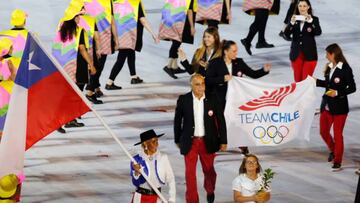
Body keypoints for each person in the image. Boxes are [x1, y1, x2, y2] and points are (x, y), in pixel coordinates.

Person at [174, 74, 227, 203]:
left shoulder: (212, 98)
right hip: (190, 142)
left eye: (202, 84)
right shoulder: (184, 99)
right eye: (197, 84)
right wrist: (177, 139)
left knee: (209, 171)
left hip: (208, 141)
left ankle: (210, 189)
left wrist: (223, 140)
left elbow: (221, 120)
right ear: (191, 86)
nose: (201, 87)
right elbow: (177, 121)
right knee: (190, 175)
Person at [53, 4, 97, 129]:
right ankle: (68, 119)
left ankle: (65, 118)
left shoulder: (60, 31)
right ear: (73, 17)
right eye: (78, 16)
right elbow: (82, 50)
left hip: (62, 65)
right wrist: (91, 65)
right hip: (77, 65)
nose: (79, 18)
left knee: (68, 93)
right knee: (75, 92)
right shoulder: (79, 31)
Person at [314, 43, 356, 170]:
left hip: (339, 109)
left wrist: (337, 93)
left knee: (338, 135)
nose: (326, 56)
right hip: (326, 105)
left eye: (327, 54)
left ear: (333, 54)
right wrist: (315, 81)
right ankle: (333, 150)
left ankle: (337, 160)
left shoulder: (346, 69)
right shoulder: (329, 67)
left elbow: (352, 88)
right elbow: (328, 85)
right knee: (323, 132)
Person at [105, 0, 159, 89]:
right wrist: (153, 33)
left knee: (131, 53)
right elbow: (143, 20)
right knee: (121, 59)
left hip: (119, 34)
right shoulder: (135, 3)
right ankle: (110, 82)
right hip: (129, 35)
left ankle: (133, 77)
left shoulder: (115, 3)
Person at [206, 40, 271, 110]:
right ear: (225, 52)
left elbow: (253, 74)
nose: (236, 53)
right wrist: (222, 79)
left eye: (236, 51)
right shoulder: (215, 63)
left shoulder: (239, 62)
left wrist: (264, 70)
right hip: (220, 99)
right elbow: (208, 80)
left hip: (236, 99)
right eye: (234, 51)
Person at [83, 0, 119, 95]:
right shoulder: (107, 2)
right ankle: (90, 89)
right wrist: (116, 39)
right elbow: (112, 21)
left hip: (88, 37)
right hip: (102, 37)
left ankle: (95, 86)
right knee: (99, 65)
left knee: (93, 63)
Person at [131, 129, 176, 203]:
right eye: (153, 141)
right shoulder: (136, 160)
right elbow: (135, 182)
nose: (157, 144)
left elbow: (171, 179)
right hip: (139, 198)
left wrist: (172, 200)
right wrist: (136, 172)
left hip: (157, 198)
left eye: (157, 141)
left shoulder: (163, 158)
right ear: (145, 143)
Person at [284, 0, 322, 82]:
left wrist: (311, 22)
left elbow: (318, 32)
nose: (302, 8)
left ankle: (307, 95)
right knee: (298, 81)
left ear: (308, 7)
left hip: (310, 54)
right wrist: (291, 24)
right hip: (296, 54)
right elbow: (286, 35)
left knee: (306, 81)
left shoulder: (314, 19)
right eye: (300, 6)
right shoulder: (293, 18)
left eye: (304, 6)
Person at [160, 0, 196, 79]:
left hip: (172, 19)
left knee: (176, 43)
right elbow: (190, 11)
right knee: (176, 43)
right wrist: (192, 26)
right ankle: (168, 66)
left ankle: (175, 66)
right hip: (181, 21)